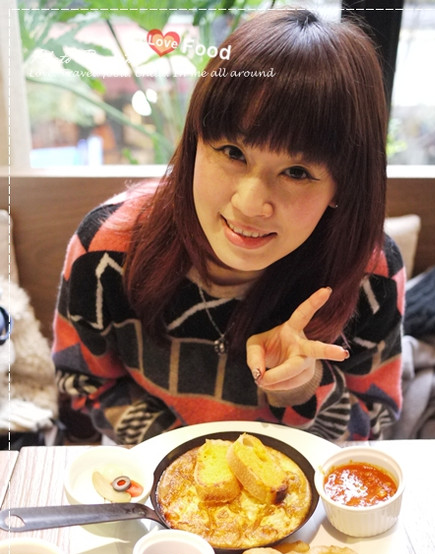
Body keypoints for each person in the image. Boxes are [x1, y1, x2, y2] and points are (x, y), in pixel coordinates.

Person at [52, 8, 405, 445]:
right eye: (233, 152)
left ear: (342, 185)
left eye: (297, 172)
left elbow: (373, 424)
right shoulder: (106, 249)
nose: (250, 204)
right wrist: (186, 460)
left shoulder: (370, 272)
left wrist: (302, 387)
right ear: (195, 142)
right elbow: (83, 386)